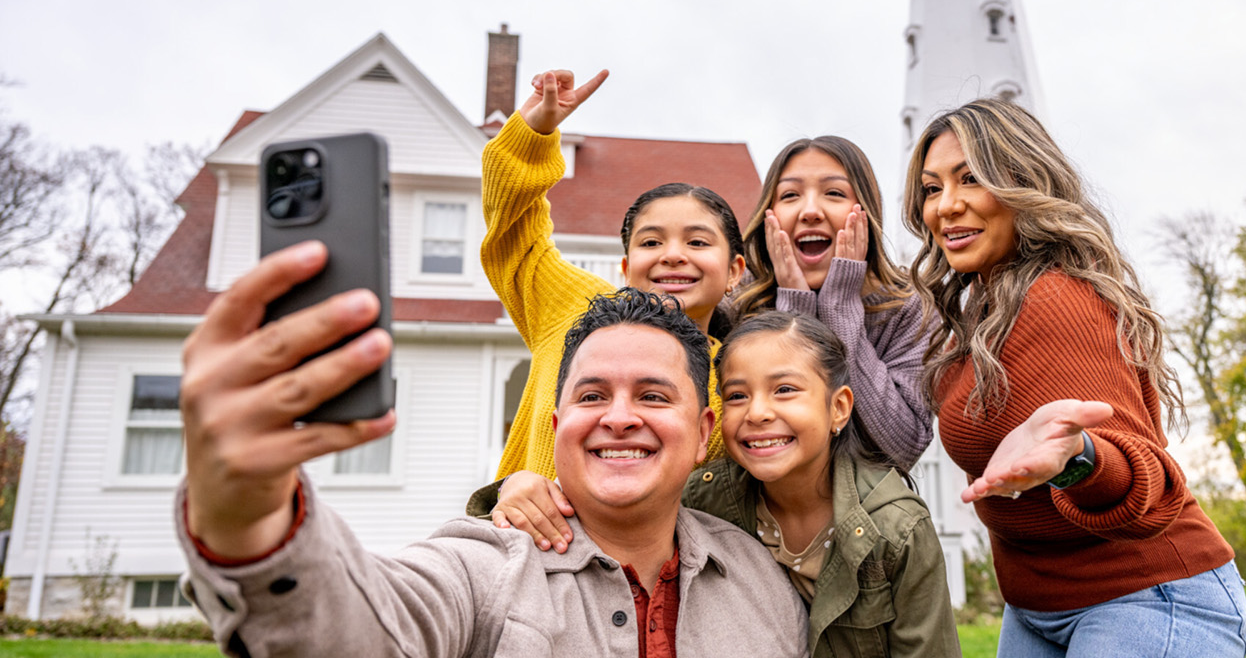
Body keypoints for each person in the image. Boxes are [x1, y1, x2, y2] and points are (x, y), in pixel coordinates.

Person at [176, 258, 809, 657]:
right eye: (593, 395)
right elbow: (365, 628)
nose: (619, 416)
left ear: (704, 434)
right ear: (557, 427)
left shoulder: (761, 580)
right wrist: (248, 517)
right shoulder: (484, 569)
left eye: (651, 395)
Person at [904, 98, 1246, 657]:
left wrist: (1078, 455)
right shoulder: (982, 313)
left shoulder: (1056, 297)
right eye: (931, 187)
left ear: (1023, 181)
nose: (947, 206)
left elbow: (1152, 484)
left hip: (1144, 598)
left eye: (972, 179)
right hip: (1037, 608)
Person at [479, 311, 961, 657]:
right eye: (737, 395)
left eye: (785, 390)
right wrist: (517, 486)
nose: (758, 412)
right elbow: (603, 501)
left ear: (838, 408)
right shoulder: (703, 497)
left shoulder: (897, 529)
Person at [486, 68, 747, 479]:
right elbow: (516, 235)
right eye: (651, 242)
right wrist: (531, 139)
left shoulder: (739, 377)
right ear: (626, 268)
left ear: (735, 271)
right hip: (518, 538)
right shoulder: (575, 308)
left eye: (697, 242)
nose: (673, 256)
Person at [732, 137, 932, 470]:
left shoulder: (909, 308)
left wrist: (840, 309)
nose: (810, 211)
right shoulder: (739, 301)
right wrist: (796, 313)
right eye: (790, 195)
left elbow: (903, 449)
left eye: (834, 193)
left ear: (866, 212)